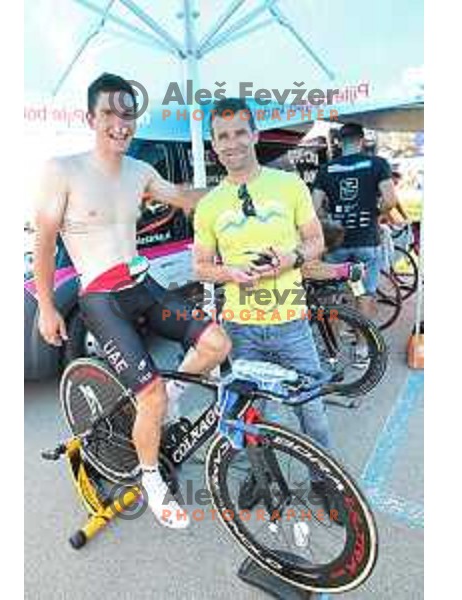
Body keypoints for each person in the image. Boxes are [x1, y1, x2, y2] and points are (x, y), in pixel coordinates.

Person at [33, 73, 231, 529]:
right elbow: (44, 241)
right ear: (91, 118)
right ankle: (151, 480)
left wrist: (233, 188)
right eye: (110, 114)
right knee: (151, 394)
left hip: (144, 285)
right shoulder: (62, 170)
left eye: (128, 115)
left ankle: (169, 401)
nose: (120, 124)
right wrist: (46, 306)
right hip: (103, 298)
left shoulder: (140, 172)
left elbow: (183, 197)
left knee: (217, 343)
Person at [193, 98, 340, 517]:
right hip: (241, 329)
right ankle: (262, 477)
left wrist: (292, 258)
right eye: (223, 136)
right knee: (250, 412)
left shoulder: (288, 185)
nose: (232, 142)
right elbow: (200, 266)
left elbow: (316, 240)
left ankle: (324, 483)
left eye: (240, 132)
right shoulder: (209, 206)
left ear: (254, 135)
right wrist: (232, 272)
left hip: (290, 323)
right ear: (214, 145)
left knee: (312, 414)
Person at [311, 123, 399, 320]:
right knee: (364, 293)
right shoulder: (378, 164)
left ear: (340, 142)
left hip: (337, 242)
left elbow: (313, 209)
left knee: (331, 294)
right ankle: (361, 346)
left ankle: (335, 346)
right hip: (367, 239)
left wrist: (328, 218)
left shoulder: (326, 169)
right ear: (361, 140)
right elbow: (391, 200)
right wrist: (377, 213)